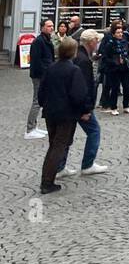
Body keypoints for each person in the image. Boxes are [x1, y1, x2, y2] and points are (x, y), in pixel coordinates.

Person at [37, 36, 92, 193]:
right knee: (59, 146)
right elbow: (79, 95)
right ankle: (47, 182)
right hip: (65, 114)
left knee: (54, 144)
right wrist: (85, 110)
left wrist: (45, 105)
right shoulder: (73, 70)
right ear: (73, 52)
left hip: (50, 112)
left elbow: (41, 93)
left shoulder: (50, 68)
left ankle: (47, 178)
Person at [58, 30, 107, 178]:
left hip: (69, 104)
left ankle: (60, 167)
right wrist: (86, 109)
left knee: (67, 135)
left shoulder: (78, 56)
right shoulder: (83, 60)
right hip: (79, 106)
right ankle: (88, 164)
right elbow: (83, 87)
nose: (98, 43)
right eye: (97, 41)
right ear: (91, 42)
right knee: (94, 131)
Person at [26, 18, 56, 139]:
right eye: (49, 26)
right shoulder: (38, 41)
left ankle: (34, 126)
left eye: (52, 26)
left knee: (41, 101)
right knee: (37, 101)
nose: (52, 28)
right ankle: (29, 129)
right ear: (42, 27)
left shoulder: (46, 40)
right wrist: (45, 74)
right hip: (39, 76)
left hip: (44, 75)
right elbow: (37, 61)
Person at [98, 21, 129, 114]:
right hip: (114, 69)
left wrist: (126, 59)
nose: (120, 34)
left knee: (127, 87)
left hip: (124, 68)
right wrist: (114, 62)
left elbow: (128, 53)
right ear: (113, 33)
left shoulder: (125, 42)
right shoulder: (110, 43)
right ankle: (113, 107)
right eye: (118, 32)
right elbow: (105, 57)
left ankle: (126, 106)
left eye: (121, 32)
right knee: (115, 88)